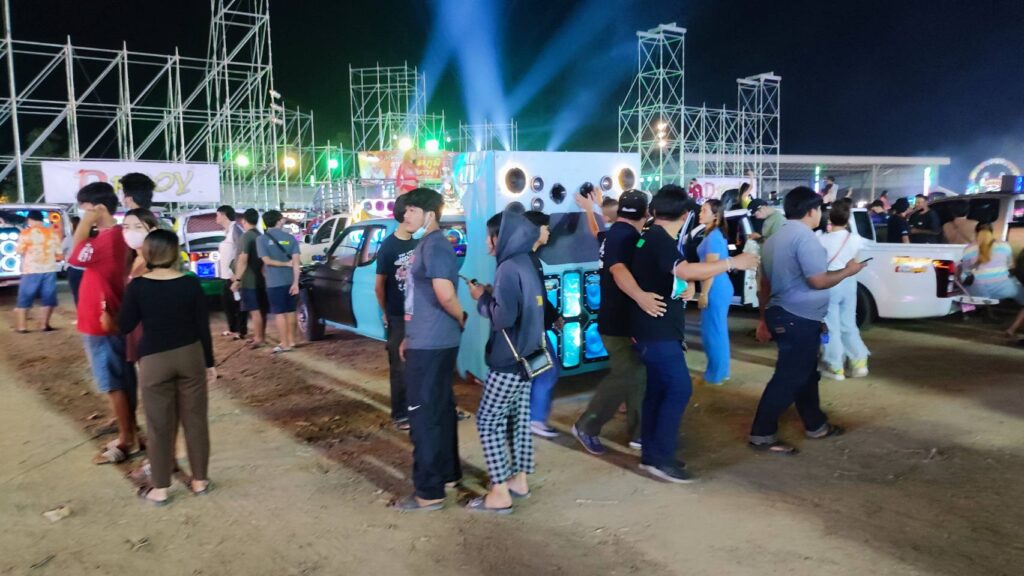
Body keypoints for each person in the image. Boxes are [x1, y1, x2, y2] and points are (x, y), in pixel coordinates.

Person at [630, 185, 758, 482]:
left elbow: (667, 275)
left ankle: (652, 454)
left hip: (652, 328)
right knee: (678, 388)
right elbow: (685, 270)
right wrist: (734, 262)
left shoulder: (649, 237)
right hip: (658, 331)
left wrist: (682, 289)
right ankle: (661, 458)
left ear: (654, 210)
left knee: (658, 390)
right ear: (685, 214)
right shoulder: (660, 239)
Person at [748, 187, 866, 454]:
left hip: (784, 313)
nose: (821, 214)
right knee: (790, 377)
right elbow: (818, 281)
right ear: (812, 211)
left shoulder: (774, 239)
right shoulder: (805, 238)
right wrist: (849, 271)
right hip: (797, 317)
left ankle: (816, 424)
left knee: (805, 374)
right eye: (820, 209)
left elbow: (764, 284)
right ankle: (761, 433)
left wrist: (764, 318)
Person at [120, 229, 214, 505]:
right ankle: (199, 481)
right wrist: (209, 363)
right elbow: (203, 326)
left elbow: (125, 325)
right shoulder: (191, 283)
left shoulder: (138, 286)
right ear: (175, 253)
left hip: (154, 359)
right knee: (195, 420)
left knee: (159, 425)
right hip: (190, 355)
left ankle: (160, 488)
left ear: (147, 253)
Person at [572, 190, 666, 456]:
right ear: (647, 213)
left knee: (637, 374)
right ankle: (586, 425)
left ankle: (638, 433)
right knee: (628, 374)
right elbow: (619, 271)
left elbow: (597, 232)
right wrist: (642, 298)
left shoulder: (614, 234)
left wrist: (591, 209)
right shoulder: (631, 239)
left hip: (614, 318)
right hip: (620, 322)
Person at [464, 210, 545, 513]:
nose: (488, 242)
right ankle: (518, 480)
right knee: (518, 419)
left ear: (503, 236)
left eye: (491, 236)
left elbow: (502, 318)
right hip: (529, 357)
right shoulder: (525, 261)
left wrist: (481, 298)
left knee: (488, 421)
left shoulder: (508, 268)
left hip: (508, 359)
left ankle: (499, 492)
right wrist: (491, 294)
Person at [393, 188, 465, 512]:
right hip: (427, 339)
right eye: (405, 211)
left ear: (430, 214)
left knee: (423, 416)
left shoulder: (435, 245)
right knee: (440, 409)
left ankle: (429, 491)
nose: (405, 216)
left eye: (411, 211)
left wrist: (460, 317)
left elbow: (444, 293)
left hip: (432, 344)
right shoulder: (430, 244)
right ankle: (448, 475)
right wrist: (410, 335)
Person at [69, 182, 139, 464]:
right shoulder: (120, 236)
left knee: (113, 383)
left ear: (98, 208)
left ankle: (126, 441)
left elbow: (74, 255)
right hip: (111, 316)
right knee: (124, 378)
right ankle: (132, 432)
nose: (83, 214)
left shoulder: (106, 241)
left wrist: (87, 222)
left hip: (100, 322)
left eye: (84, 209)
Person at [375, 195, 418, 430]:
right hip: (398, 315)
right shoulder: (388, 247)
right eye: (412, 210)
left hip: (417, 314)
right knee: (399, 366)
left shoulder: (417, 243)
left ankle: (417, 408)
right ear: (403, 215)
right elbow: (379, 286)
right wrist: (385, 312)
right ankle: (400, 413)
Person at [818, 201, 870, 380]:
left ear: (830, 218)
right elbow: (858, 260)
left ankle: (835, 366)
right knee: (848, 323)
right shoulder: (855, 239)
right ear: (848, 220)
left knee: (830, 327)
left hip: (830, 282)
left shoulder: (821, 239)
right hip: (849, 283)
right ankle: (859, 363)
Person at [523, 210, 563, 438]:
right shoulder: (526, 260)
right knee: (548, 371)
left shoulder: (530, 258)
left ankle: (532, 417)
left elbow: (539, 296)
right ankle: (535, 419)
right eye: (546, 227)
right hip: (532, 331)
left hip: (534, 329)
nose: (549, 232)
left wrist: (553, 315)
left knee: (545, 371)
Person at [962, 222, 1024, 338]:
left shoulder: (968, 249)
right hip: (1004, 289)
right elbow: (1010, 265)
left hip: (979, 291)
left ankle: (971, 310)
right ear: (992, 232)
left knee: (965, 289)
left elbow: (966, 271)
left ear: (976, 233)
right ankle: (1014, 325)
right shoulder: (1004, 246)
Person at [695, 199, 733, 386]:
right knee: (717, 330)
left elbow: (711, 269)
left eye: (704, 210)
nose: (700, 213)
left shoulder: (713, 237)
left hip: (715, 287)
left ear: (715, 215)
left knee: (713, 332)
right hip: (717, 285)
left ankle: (716, 374)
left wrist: (704, 294)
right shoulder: (712, 234)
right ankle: (720, 371)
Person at [257, 210, 301, 353]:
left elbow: (267, 261)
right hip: (290, 280)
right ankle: (292, 341)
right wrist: (296, 283)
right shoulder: (290, 238)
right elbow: (296, 263)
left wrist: (283, 264)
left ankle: (284, 343)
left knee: (279, 313)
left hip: (274, 282)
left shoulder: (261, 240)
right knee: (291, 311)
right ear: (279, 221)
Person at [14, 210, 62, 333]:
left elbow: (19, 251)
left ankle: (22, 327)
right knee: (49, 298)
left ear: (30, 220)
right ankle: (44, 325)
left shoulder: (26, 233)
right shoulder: (52, 233)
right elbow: (59, 254)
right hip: (49, 269)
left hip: (31, 270)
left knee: (25, 298)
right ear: (41, 220)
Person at [231, 209, 267, 348]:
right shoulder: (260, 235)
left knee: (254, 310)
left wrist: (237, 279)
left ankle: (258, 339)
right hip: (261, 278)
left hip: (249, 280)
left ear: (244, 221)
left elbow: (243, 259)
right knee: (261, 309)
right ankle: (260, 336)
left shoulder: (246, 237)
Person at [216, 205, 247, 340]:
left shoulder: (236, 230)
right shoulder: (227, 231)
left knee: (238, 303)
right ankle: (233, 328)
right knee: (227, 303)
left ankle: (241, 330)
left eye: (217, 215)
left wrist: (237, 274)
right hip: (226, 275)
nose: (216, 218)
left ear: (224, 215)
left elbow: (241, 252)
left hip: (233, 275)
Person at [64, 216, 85, 306]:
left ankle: (80, 312)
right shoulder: (86, 237)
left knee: (77, 294)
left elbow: (60, 250)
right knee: (85, 293)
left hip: (73, 269)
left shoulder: (69, 238)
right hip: (87, 269)